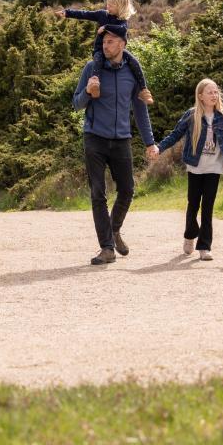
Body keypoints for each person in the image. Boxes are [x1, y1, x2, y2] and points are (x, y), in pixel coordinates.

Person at [149, 78, 223, 260]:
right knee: (193, 204)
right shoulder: (191, 115)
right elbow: (175, 135)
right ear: (201, 96)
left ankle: (204, 246)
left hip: (214, 166)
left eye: (216, 92)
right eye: (210, 92)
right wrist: (159, 147)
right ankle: (190, 234)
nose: (214, 95)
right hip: (195, 166)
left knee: (208, 207)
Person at [72, 25, 158, 265]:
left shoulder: (132, 71)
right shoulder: (92, 68)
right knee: (98, 192)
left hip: (122, 139)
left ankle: (114, 229)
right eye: (103, 42)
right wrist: (88, 92)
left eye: (110, 42)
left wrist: (150, 142)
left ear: (122, 44)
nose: (105, 46)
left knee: (128, 189)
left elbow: (141, 111)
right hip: (94, 138)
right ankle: (107, 248)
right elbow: (76, 103)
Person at [60, 0, 154, 105]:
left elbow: (122, 30)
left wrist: (106, 27)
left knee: (134, 62)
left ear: (121, 6)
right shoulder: (102, 14)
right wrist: (68, 13)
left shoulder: (122, 21)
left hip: (118, 52)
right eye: (108, 3)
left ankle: (144, 90)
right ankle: (95, 85)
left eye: (112, 4)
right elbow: (85, 14)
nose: (108, 6)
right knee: (97, 61)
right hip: (100, 49)